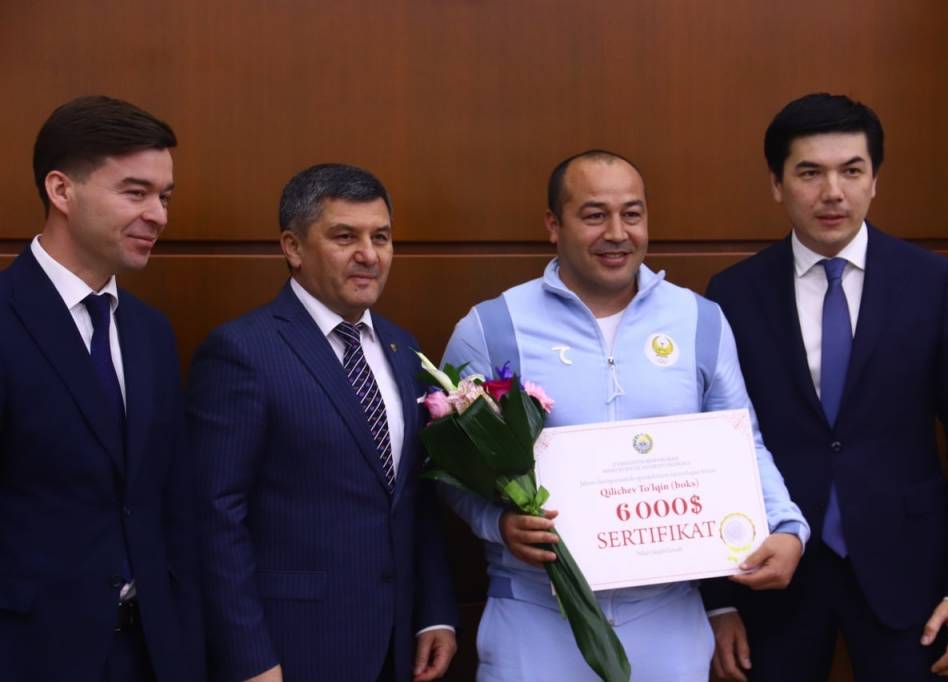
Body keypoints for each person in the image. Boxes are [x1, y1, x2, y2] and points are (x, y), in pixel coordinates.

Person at [441, 149, 810, 681]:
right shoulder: (492, 327)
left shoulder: (699, 319)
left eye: (632, 214)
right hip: (536, 616)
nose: (617, 233)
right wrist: (497, 525)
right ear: (554, 224)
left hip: (668, 618)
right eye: (595, 215)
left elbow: (742, 441)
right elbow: (450, 470)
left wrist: (788, 526)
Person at [704, 93, 948, 680]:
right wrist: (719, 600)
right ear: (777, 184)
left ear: (875, 180)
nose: (832, 192)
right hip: (774, 578)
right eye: (809, 173)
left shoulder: (935, 283)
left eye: (851, 170)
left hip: (910, 576)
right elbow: (716, 447)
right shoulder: (733, 294)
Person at [188, 163, 458, 682]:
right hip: (291, 649)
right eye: (344, 237)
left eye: (381, 237)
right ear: (293, 247)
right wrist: (250, 659)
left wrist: (435, 612)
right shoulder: (242, 352)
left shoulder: (404, 349)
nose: (369, 255)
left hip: (395, 646)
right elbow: (214, 519)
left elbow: (417, 497)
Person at [0, 96, 202, 681]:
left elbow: (172, 506)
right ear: (61, 190)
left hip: (151, 654)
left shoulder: (150, 333)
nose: (158, 215)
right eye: (135, 193)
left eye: (164, 197)